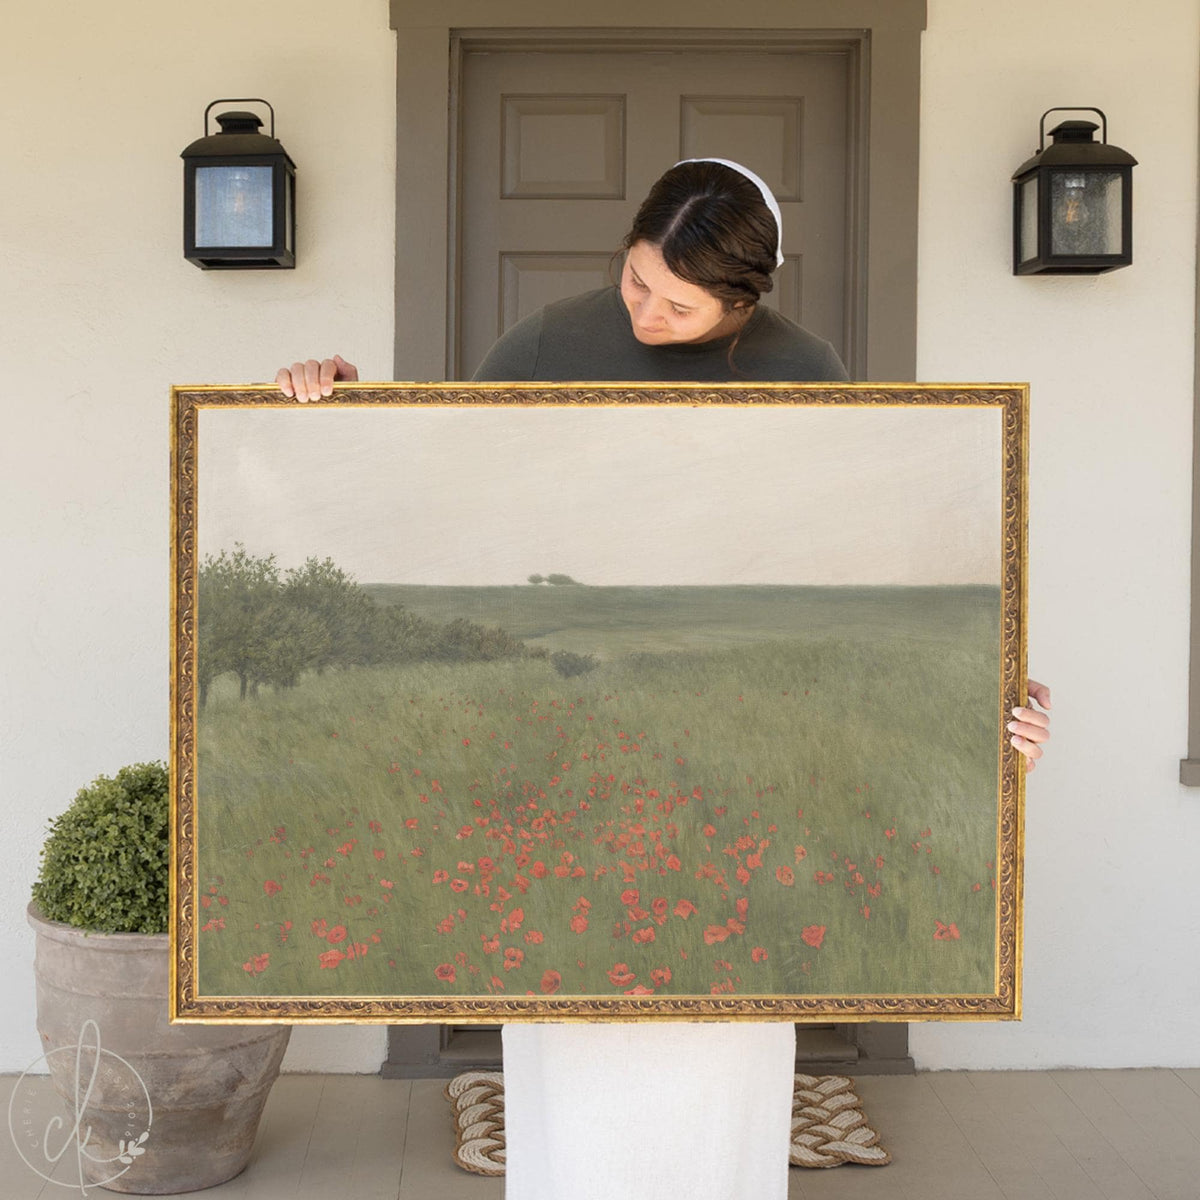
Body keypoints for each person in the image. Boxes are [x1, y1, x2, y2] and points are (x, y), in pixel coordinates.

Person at [278, 159, 1051, 1199]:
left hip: (745, 770)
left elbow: (871, 566)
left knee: (722, 1062)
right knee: (572, 1037)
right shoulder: (546, 343)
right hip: (565, 761)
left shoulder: (807, 371)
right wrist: (342, 410)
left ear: (745, 298)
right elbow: (444, 477)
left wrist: (988, 696)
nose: (645, 313)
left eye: (680, 305)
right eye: (636, 281)